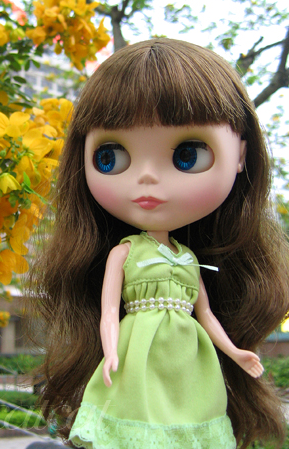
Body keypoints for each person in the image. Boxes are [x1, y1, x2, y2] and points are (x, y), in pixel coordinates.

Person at [29, 39, 289, 449]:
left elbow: (206, 314)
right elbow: (109, 312)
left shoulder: (189, 260)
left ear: (240, 155)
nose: (147, 177)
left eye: (188, 154)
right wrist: (111, 352)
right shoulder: (124, 252)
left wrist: (234, 352)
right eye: (110, 156)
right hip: (136, 357)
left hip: (188, 361)